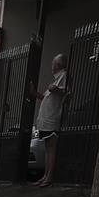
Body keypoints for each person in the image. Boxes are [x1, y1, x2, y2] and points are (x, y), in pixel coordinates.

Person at [33, 54, 68, 187]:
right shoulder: (56, 79)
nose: (51, 66)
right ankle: (45, 176)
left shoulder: (63, 76)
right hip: (47, 120)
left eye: (53, 64)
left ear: (58, 65)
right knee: (48, 148)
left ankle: (49, 177)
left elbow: (66, 93)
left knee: (51, 149)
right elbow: (46, 97)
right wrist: (35, 93)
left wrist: (56, 89)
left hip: (53, 120)